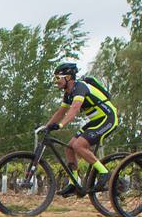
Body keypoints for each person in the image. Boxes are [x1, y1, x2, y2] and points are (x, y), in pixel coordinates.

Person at [38, 62, 118, 196]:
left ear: (68, 77)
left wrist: (61, 125)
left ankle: (104, 172)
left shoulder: (80, 87)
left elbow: (74, 108)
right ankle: (74, 182)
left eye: (58, 78)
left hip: (108, 118)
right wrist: (46, 127)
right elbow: (61, 112)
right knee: (69, 148)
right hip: (95, 121)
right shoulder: (68, 93)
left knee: (79, 145)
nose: (56, 81)